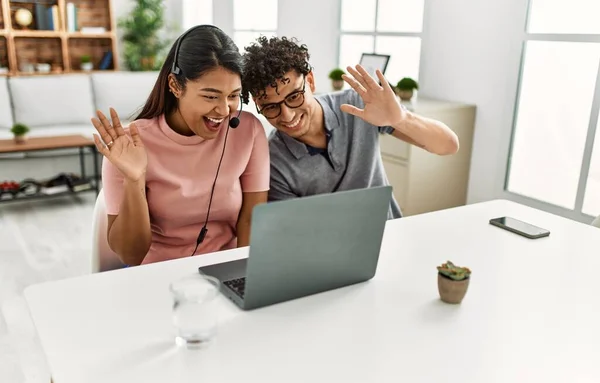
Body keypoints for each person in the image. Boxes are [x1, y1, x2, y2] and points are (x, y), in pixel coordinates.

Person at [91, 25, 270, 267]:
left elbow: (251, 219)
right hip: (158, 273)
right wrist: (134, 179)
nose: (224, 110)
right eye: (210, 96)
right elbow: (131, 255)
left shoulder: (248, 131)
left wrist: (244, 276)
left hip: (225, 267)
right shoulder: (129, 144)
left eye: (233, 95)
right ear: (175, 86)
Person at [241, 36, 459, 220]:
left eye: (295, 96)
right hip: (328, 258)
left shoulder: (357, 105)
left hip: (390, 235)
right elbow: (296, 234)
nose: (287, 115)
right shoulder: (272, 161)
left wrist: (401, 118)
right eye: (270, 107)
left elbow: (448, 145)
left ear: (310, 81)